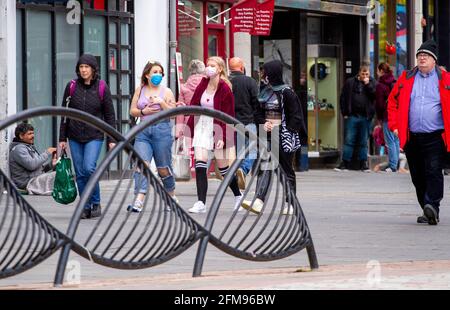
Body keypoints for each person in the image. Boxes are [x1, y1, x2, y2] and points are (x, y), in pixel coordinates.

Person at [388, 39, 450, 225]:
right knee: (417, 175)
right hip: (411, 136)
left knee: (433, 171)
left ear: (434, 60)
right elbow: (392, 102)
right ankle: (427, 207)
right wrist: (395, 126)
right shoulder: (406, 78)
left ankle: (433, 205)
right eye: (420, 55)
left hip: (435, 136)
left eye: (426, 56)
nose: (422, 58)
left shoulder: (445, 79)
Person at [241, 60, 307, 215]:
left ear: (273, 73)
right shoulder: (264, 91)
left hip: (283, 136)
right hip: (267, 134)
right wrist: (263, 123)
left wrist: (284, 129)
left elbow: (296, 116)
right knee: (265, 165)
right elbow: (257, 112)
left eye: (266, 72)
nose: (264, 76)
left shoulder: (287, 93)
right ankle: (258, 200)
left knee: (285, 170)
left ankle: (290, 203)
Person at [59, 54, 116, 219]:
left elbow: (110, 115)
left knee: (89, 168)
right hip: (74, 135)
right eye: (81, 67)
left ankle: (96, 202)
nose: (83, 70)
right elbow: (64, 114)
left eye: (87, 67)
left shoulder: (102, 87)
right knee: (80, 172)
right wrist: (62, 138)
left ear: (93, 69)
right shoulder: (71, 87)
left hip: (94, 135)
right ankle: (85, 205)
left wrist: (112, 139)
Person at [186, 56, 243, 214]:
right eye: (207, 65)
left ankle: (238, 195)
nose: (208, 68)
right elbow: (194, 105)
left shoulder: (225, 88)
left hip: (219, 127)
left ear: (220, 69)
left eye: (212, 65)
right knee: (200, 163)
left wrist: (223, 138)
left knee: (223, 168)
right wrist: (188, 129)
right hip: (202, 126)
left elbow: (228, 115)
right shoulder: (203, 83)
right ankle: (201, 202)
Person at [128, 60, 177, 213]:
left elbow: (173, 112)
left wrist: (162, 103)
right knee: (141, 164)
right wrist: (144, 112)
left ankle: (171, 195)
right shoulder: (140, 90)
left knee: (163, 168)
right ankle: (139, 199)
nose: (158, 75)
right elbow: (132, 111)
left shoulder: (167, 91)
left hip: (162, 130)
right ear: (147, 75)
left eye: (160, 73)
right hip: (143, 131)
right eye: (154, 72)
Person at [335, 65, 377, 171]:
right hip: (352, 115)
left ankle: (363, 163)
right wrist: (344, 112)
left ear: (369, 74)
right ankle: (345, 163)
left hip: (366, 116)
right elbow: (343, 97)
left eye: (367, 74)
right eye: (363, 74)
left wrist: (367, 84)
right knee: (349, 139)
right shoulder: (350, 82)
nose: (364, 76)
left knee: (363, 141)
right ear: (359, 73)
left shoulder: (372, 83)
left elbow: (374, 96)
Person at [229, 57, 260, 190]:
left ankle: (232, 172)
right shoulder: (250, 82)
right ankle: (244, 169)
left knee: (236, 151)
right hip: (248, 121)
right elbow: (256, 102)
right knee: (251, 149)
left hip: (230, 122)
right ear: (242, 68)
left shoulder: (226, 82)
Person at [9, 123, 57, 195]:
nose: (33, 136)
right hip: (28, 183)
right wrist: (47, 153)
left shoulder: (28, 147)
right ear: (21, 136)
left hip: (34, 179)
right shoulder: (18, 149)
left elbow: (37, 168)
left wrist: (51, 165)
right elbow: (31, 165)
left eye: (33, 133)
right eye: (29, 134)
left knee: (60, 175)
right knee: (57, 175)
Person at [375, 62, 398, 172]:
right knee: (396, 140)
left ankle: (393, 165)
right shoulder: (395, 82)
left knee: (390, 141)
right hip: (397, 114)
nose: (376, 73)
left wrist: (379, 118)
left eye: (377, 70)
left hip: (387, 115)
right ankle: (395, 163)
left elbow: (379, 104)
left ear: (381, 71)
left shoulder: (380, 85)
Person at [176, 59, 206, 138]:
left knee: (189, 148)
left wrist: (179, 131)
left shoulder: (184, 87)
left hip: (189, 122)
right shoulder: (209, 85)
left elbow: (180, 107)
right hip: (206, 121)